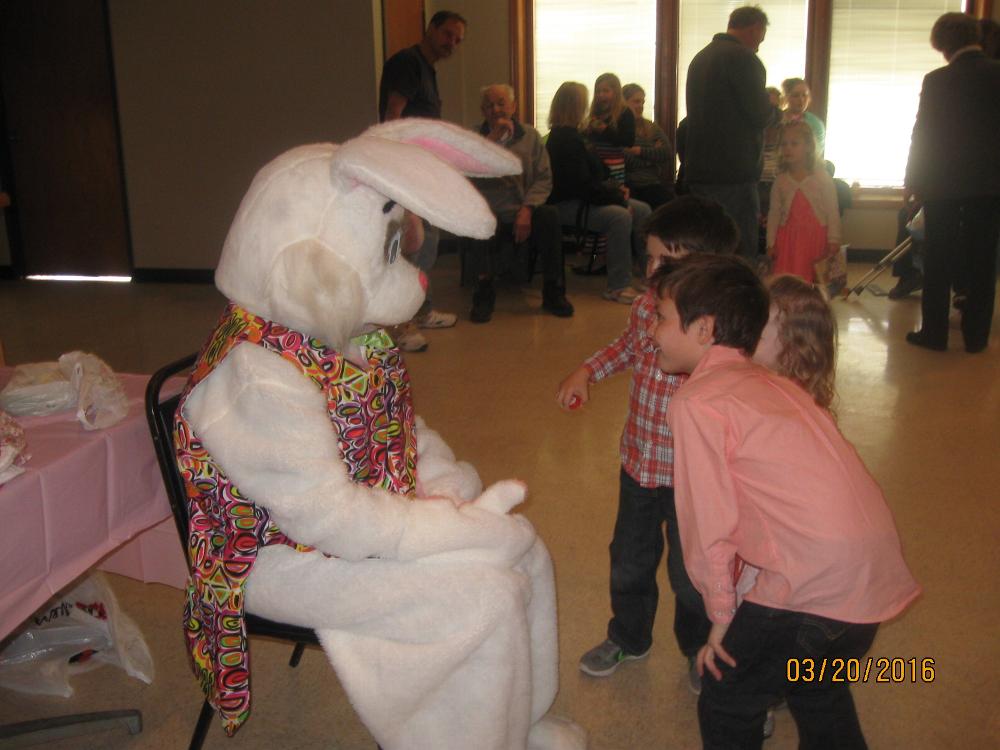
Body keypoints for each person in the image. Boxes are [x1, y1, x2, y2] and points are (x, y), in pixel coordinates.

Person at [651, 253, 921, 749]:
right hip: (865, 580)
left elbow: (709, 527)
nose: (652, 331)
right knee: (816, 691)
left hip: (813, 591)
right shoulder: (771, 385)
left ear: (705, 328)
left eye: (661, 318)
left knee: (728, 698)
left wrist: (722, 617)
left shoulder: (698, 402)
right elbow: (775, 515)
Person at [554, 197, 738, 690]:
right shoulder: (643, 309)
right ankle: (629, 636)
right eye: (649, 256)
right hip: (638, 465)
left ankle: (699, 648)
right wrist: (587, 370)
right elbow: (626, 349)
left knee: (691, 574)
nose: (652, 269)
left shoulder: (719, 333)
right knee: (629, 560)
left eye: (666, 260)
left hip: (694, 484)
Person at [904, 12, 1000, 354]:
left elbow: (924, 134)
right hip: (990, 184)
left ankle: (934, 333)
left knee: (939, 257)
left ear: (944, 45)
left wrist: (913, 178)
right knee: (984, 261)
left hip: (943, 183)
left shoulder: (938, 80)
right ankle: (976, 338)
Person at [378, 10, 467, 351]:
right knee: (415, 242)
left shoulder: (427, 69)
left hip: (423, 169)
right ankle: (401, 324)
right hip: (406, 170)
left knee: (429, 239)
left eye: (458, 40)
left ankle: (421, 309)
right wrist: (398, 167)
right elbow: (393, 114)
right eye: (447, 35)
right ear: (430, 29)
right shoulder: (408, 62)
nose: (452, 44)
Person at [468, 84, 573, 322]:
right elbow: (466, 176)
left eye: (501, 103)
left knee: (549, 216)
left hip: (523, 207)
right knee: (479, 222)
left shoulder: (531, 137)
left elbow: (544, 178)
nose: (495, 109)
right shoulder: (473, 138)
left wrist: (527, 209)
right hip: (488, 210)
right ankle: (483, 292)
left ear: (513, 107)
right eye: (489, 105)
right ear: (483, 111)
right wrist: (490, 142)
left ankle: (553, 290)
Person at [684, 5, 777, 262]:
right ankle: (738, 297)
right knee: (738, 244)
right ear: (755, 28)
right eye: (760, 38)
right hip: (733, 173)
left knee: (708, 242)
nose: (759, 46)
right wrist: (775, 112)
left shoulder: (700, 58)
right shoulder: (743, 58)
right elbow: (759, 113)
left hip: (700, 170)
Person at [545, 81, 651, 304]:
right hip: (566, 204)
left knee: (643, 210)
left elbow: (598, 172)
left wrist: (615, 188)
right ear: (575, 106)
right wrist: (617, 198)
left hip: (586, 197)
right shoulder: (563, 140)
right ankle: (617, 286)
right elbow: (579, 186)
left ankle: (649, 275)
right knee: (619, 216)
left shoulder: (578, 136)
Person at [767, 120, 840, 283]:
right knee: (787, 281)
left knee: (813, 281)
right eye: (784, 144)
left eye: (794, 144)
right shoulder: (781, 180)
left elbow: (832, 211)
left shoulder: (822, 178)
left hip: (815, 240)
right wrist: (771, 242)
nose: (787, 148)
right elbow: (774, 213)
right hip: (788, 241)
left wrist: (833, 239)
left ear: (808, 147)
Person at [621, 83, 675, 209]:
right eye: (636, 101)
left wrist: (639, 151)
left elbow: (667, 153)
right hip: (630, 185)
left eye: (642, 102)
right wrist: (652, 157)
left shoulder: (650, 127)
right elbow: (624, 159)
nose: (641, 106)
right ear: (624, 103)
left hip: (653, 183)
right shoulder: (618, 129)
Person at [584, 73, 636, 148]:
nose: (601, 94)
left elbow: (628, 142)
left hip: (615, 158)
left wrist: (605, 130)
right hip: (595, 157)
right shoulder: (595, 112)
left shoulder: (625, 112)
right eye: (598, 91)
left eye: (606, 91)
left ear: (616, 93)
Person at [780, 77, 825, 157]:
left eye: (804, 95)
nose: (801, 100)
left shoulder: (815, 123)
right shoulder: (777, 119)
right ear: (786, 97)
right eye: (796, 95)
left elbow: (816, 153)